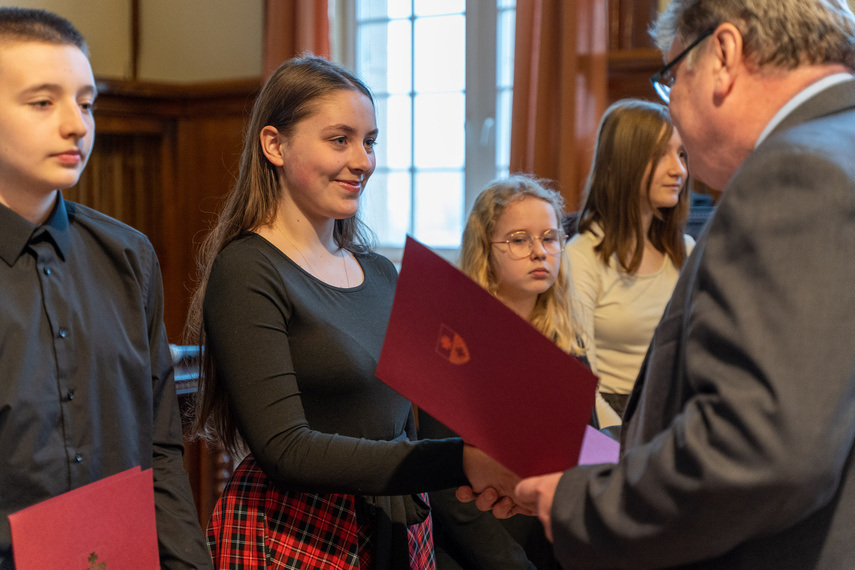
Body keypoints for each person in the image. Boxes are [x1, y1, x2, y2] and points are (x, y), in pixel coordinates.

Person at [490, 0, 855, 567]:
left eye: (671, 76)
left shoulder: (794, 173)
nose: (675, 113)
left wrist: (578, 500)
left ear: (724, 55)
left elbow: (761, 453)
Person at [186, 55, 519, 569]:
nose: (363, 160)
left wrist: (548, 454)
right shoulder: (249, 269)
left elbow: (434, 415)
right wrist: (462, 460)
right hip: (298, 535)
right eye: (340, 139)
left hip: (397, 524)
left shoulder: (380, 272)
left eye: (370, 141)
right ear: (274, 144)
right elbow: (286, 450)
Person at [0, 7, 211, 569]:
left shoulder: (129, 257)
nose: (76, 124)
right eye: (43, 102)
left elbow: (159, 448)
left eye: (87, 103)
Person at [420, 174, 594, 569]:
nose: (539, 252)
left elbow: (582, 455)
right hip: (476, 552)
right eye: (519, 239)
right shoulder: (454, 346)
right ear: (485, 249)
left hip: (552, 543)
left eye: (550, 238)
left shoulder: (568, 344)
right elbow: (446, 485)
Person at [566, 99, 694, 420]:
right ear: (623, 162)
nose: (679, 169)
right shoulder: (580, 256)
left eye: (681, 154)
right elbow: (581, 385)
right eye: (660, 154)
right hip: (612, 418)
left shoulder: (687, 250)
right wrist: (619, 445)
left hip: (674, 415)